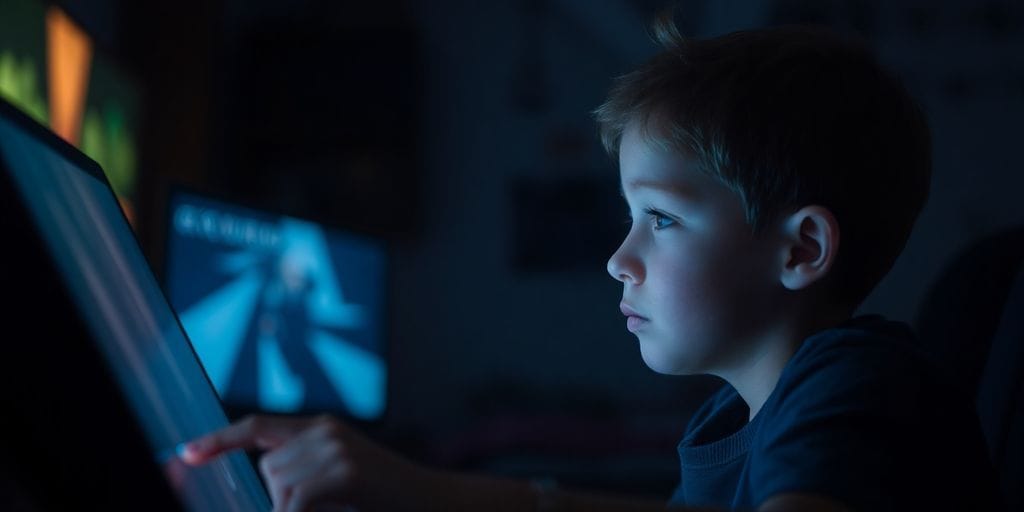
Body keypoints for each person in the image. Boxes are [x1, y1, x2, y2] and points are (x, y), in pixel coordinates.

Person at [181, 15, 1002, 512]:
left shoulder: (853, 388)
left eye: (661, 219)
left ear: (801, 250)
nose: (619, 260)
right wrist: (417, 489)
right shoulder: (738, 417)